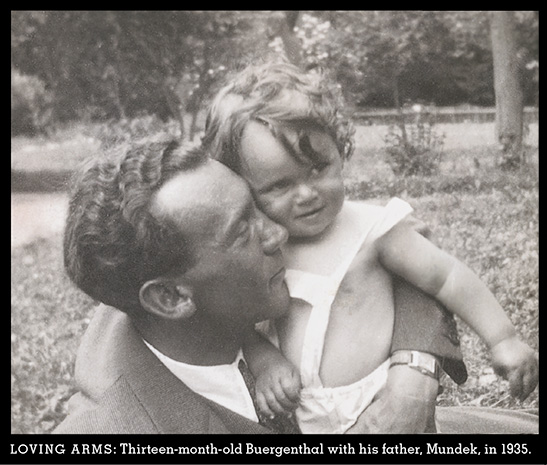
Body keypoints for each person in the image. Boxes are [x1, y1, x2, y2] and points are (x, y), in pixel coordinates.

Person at [202, 61, 539, 434]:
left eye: (318, 168)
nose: (307, 194)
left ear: (339, 148)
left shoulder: (373, 231)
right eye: (279, 186)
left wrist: (502, 338)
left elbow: (446, 277)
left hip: (382, 405)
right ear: (244, 187)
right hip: (303, 417)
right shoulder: (261, 248)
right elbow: (238, 315)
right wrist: (264, 359)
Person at [53, 137, 465, 434]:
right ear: (171, 297)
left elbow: (401, 258)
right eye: (241, 232)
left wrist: (415, 373)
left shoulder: (172, 303)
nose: (279, 234)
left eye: (256, 205)